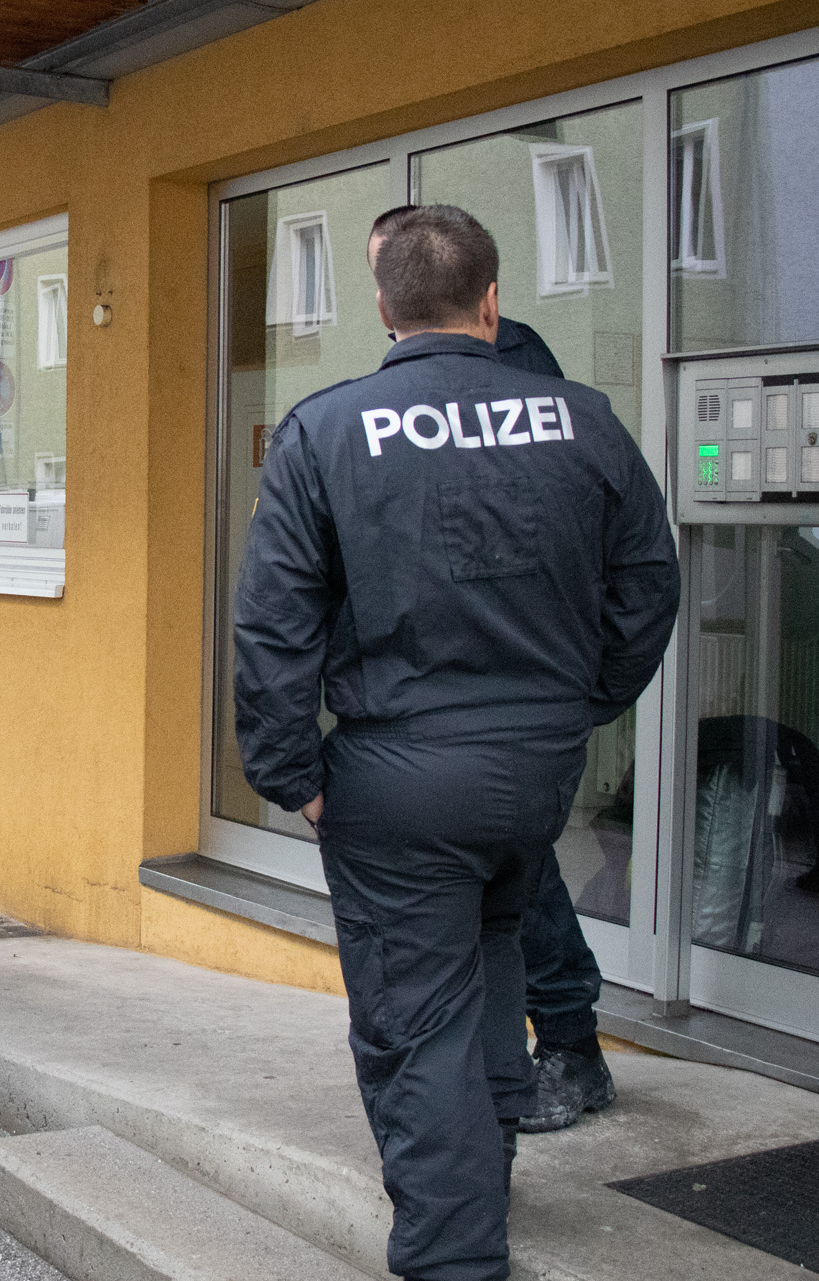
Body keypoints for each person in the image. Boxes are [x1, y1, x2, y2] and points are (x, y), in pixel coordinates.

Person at [233, 206, 678, 1281]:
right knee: (486, 985)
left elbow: (271, 626)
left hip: (395, 778)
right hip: (531, 776)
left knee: (412, 1029)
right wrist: (574, 709)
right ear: (490, 301)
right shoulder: (581, 421)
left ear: (382, 308)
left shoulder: (327, 429)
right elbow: (648, 588)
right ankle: (479, 1205)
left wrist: (291, 775)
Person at [369, 206, 614, 1133]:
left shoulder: (520, 375)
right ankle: (495, 1073)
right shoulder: (401, 387)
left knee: (524, 882)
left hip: (509, 678)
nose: (390, 305)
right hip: (454, 685)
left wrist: (590, 689)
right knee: (498, 888)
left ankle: (568, 1047)